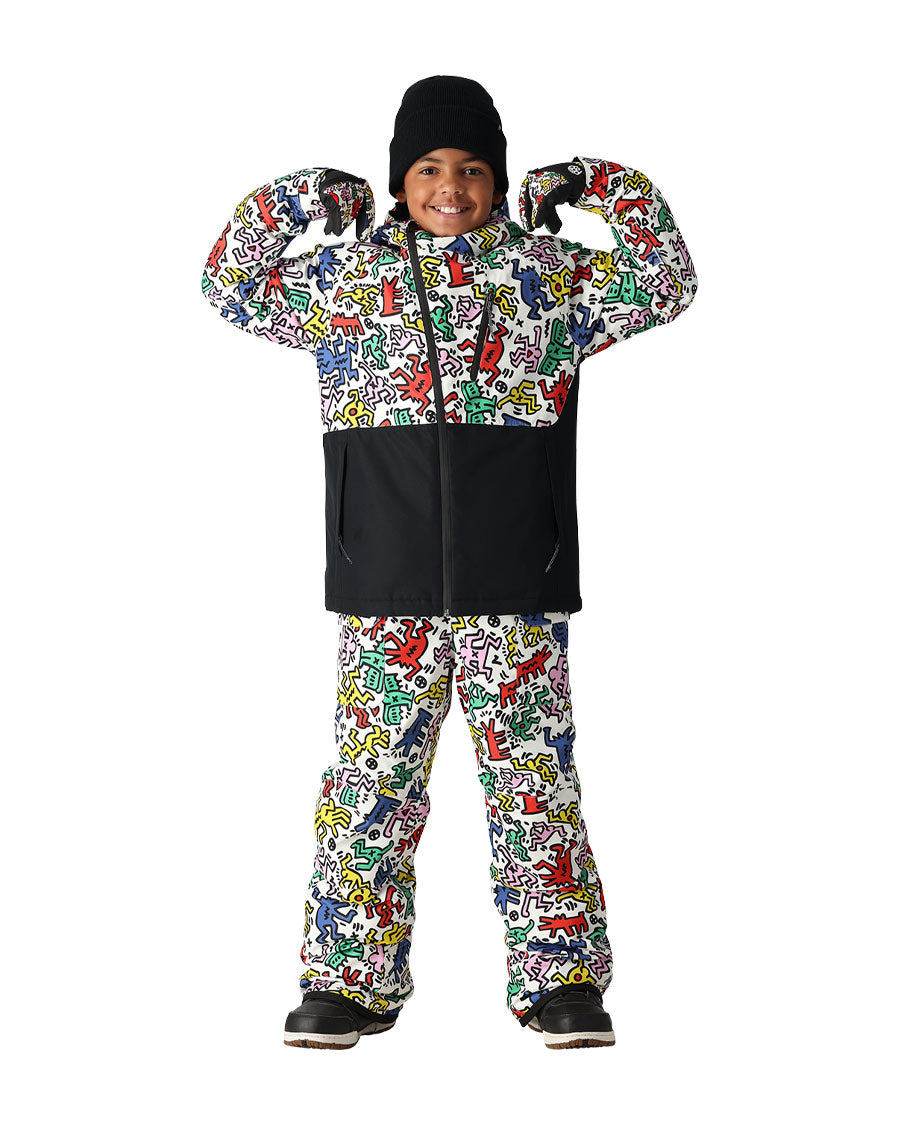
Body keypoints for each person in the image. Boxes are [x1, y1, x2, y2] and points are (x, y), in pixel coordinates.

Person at [201, 74, 698, 1050]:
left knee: (533, 784)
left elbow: (665, 279)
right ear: (399, 181)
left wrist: (596, 184)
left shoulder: (551, 278)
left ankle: (562, 978)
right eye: (428, 168)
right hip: (383, 584)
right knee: (370, 783)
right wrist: (302, 197)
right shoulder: (345, 283)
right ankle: (346, 981)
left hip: (516, 579)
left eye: (472, 169)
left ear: (499, 181)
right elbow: (229, 285)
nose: (451, 188)